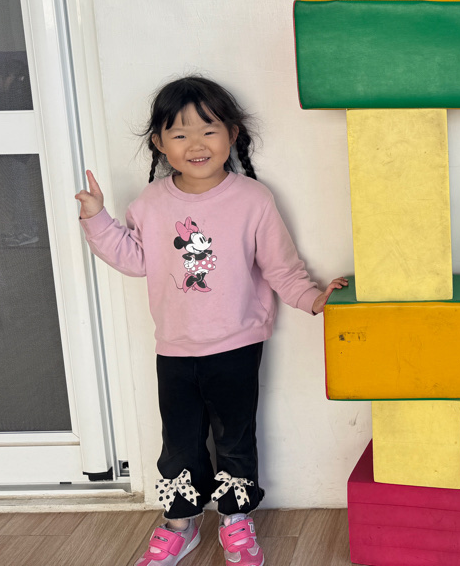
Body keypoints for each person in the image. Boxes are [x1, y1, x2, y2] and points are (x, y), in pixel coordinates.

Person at [76, 76, 346, 566]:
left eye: (209, 130)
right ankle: (180, 525)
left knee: (234, 439)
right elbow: (135, 259)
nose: (196, 144)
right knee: (178, 444)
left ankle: (235, 520)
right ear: (159, 143)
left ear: (232, 135)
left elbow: (281, 267)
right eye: (180, 134)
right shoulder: (151, 203)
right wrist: (97, 218)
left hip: (237, 346)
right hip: (174, 349)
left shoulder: (253, 200)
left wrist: (313, 299)